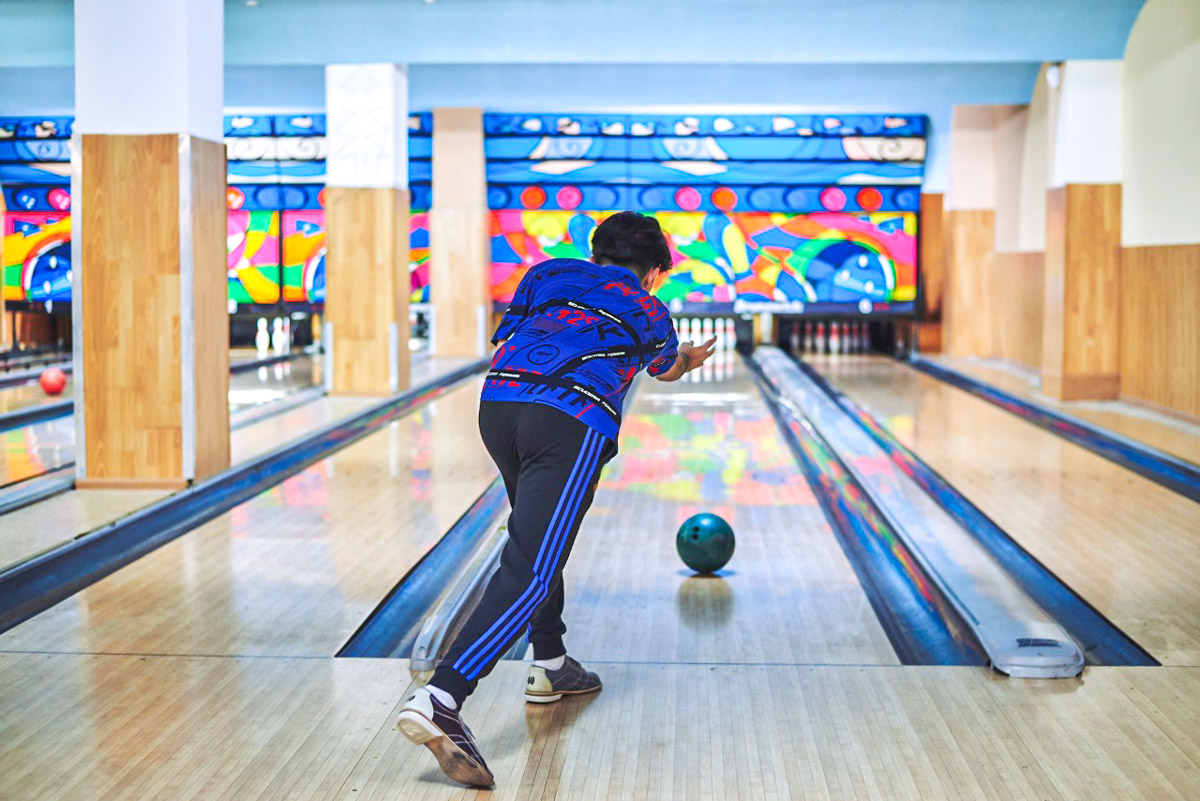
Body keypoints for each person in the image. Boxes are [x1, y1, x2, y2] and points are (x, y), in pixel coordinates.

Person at [396, 211, 717, 787]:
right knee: (533, 566)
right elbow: (665, 367)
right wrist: (686, 359)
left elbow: (513, 334)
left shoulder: (545, 273)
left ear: (595, 253)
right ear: (654, 271)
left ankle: (549, 662)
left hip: (499, 407)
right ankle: (443, 696)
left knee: (535, 541)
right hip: (569, 421)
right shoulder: (648, 307)